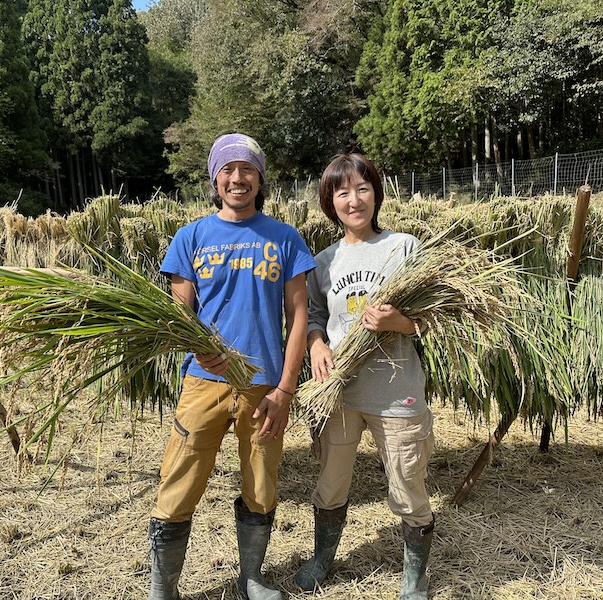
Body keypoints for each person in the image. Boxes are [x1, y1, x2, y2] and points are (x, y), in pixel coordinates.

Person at [148, 133, 316, 600]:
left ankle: (252, 578)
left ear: (260, 179)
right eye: (228, 169)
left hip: (263, 387)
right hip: (203, 381)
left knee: (261, 482)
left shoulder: (284, 237)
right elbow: (181, 314)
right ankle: (163, 588)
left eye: (247, 170)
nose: (237, 178)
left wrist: (285, 389)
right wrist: (198, 348)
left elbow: (299, 316)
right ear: (215, 178)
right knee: (179, 480)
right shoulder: (192, 237)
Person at [295, 153, 435, 599]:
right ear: (329, 201)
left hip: (395, 391)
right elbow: (314, 317)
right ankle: (323, 558)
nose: (353, 200)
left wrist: (397, 322)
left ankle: (414, 575)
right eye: (341, 192)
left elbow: (434, 317)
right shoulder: (322, 262)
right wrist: (316, 344)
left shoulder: (404, 247)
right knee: (331, 480)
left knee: (407, 481)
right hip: (337, 391)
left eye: (362, 189)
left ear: (376, 193)